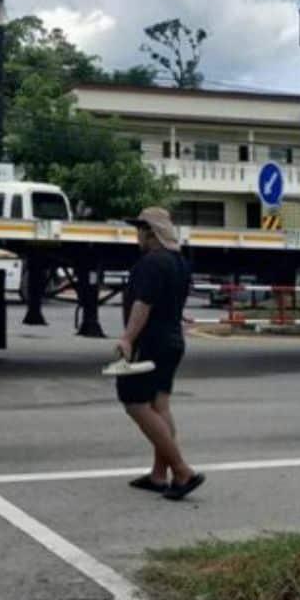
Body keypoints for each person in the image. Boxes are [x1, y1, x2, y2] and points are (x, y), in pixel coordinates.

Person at [115, 207, 204, 501]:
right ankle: (158, 475)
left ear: (151, 233)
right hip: (173, 341)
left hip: (150, 342)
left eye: (140, 231)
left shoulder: (152, 262)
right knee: (159, 405)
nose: (137, 236)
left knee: (134, 403)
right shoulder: (180, 262)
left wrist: (127, 338)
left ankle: (182, 471)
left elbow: (144, 303)